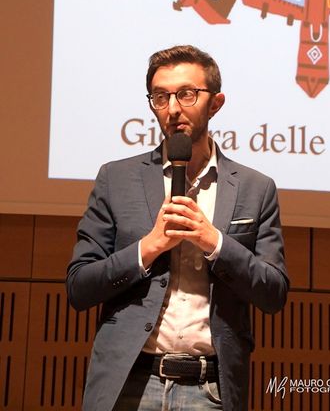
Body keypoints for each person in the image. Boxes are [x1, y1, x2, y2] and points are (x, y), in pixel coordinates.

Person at [67, 45, 288, 411]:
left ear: (215, 103)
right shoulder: (116, 179)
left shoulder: (255, 188)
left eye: (186, 94)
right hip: (130, 383)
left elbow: (273, 293)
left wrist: (215, 243)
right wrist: (149, 248)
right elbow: (79, 287)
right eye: (160, 97)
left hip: (210, 389)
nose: (172, 109)